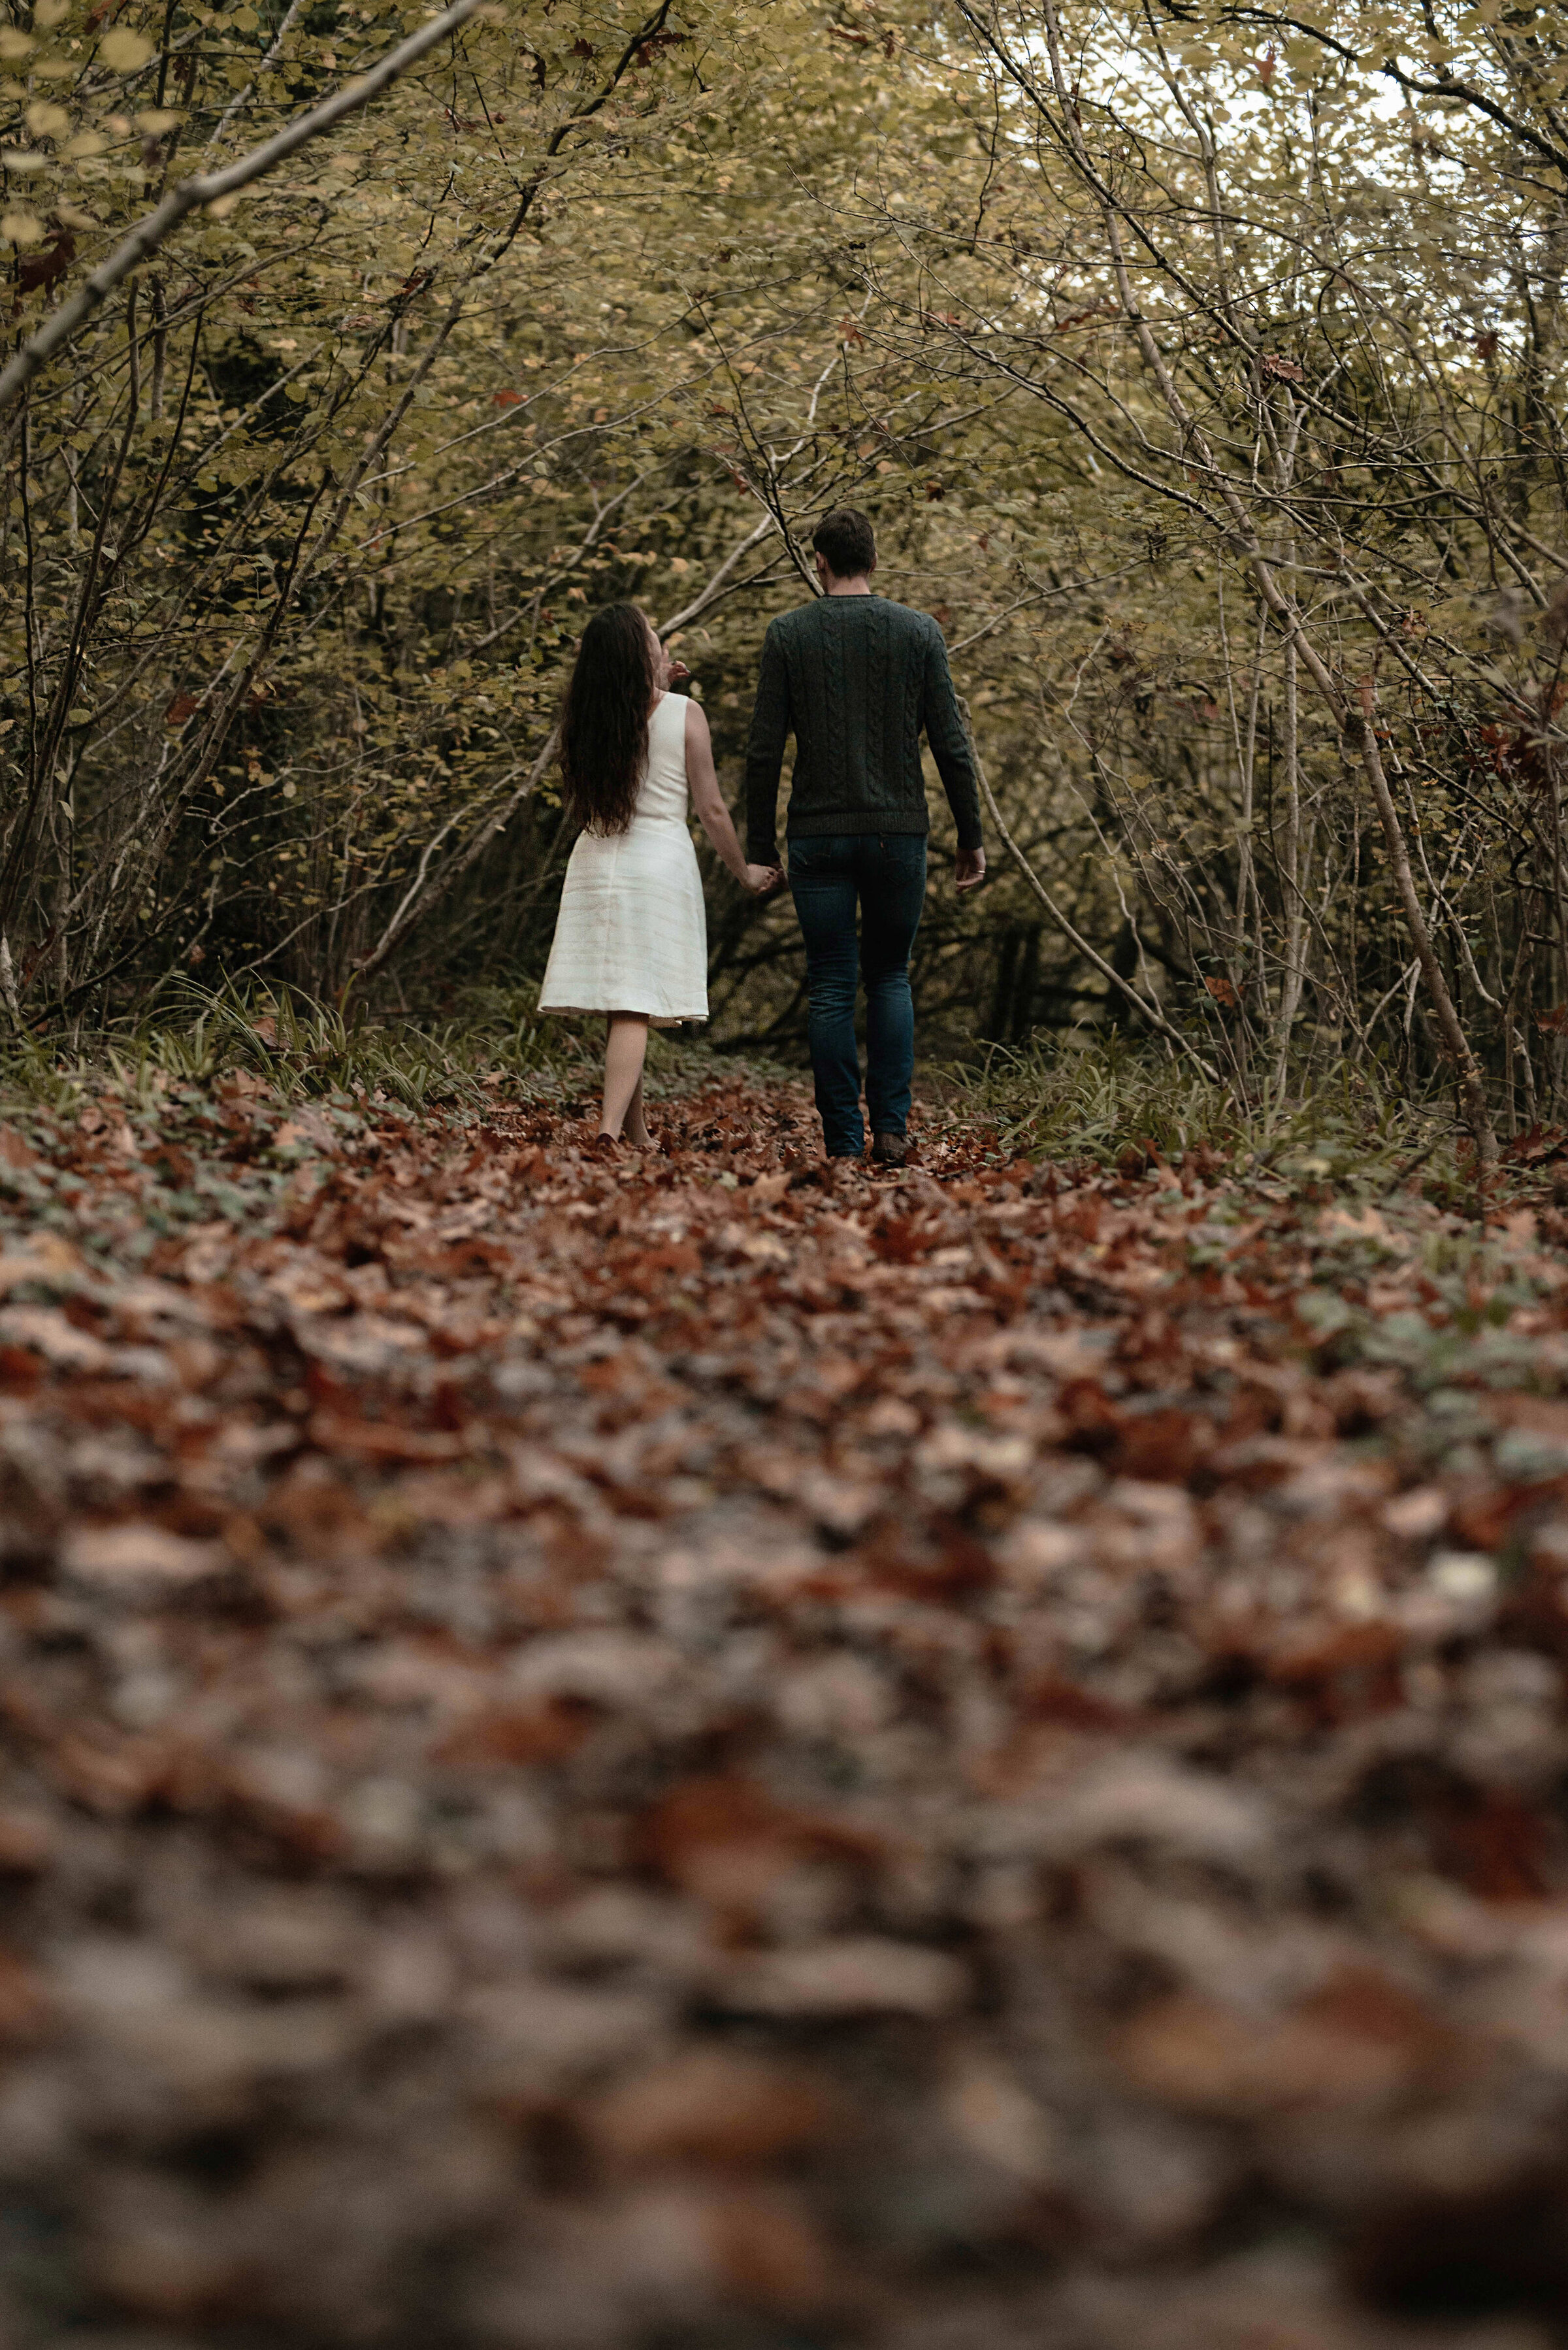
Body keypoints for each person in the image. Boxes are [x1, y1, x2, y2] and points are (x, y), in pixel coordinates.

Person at [743, 507, 986, 1167]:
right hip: (896, 833)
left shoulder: (788, 634)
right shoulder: (918, 632)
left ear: (819, 560)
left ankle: (844, 1141)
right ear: (873, 560)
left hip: (817, 836)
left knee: (829, 983)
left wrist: (759, 844)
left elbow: (764, 749)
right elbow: (951, 742)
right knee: (889, 976)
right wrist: (972, 834)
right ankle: (891, 1130)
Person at [540, 604, 780, 1146]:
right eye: (654, 636)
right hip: (656, 865)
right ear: (641, 653)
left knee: (627, 1003)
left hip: (597, 861)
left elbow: (632, 722)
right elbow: (712, 809)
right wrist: (743, 871)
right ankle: (606, 1134)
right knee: (634, 1004)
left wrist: (654, 684)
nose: (663, 640)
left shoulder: (588, 717)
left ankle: (638, 1131)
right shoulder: (684, 713)